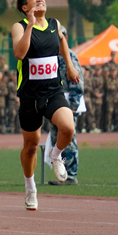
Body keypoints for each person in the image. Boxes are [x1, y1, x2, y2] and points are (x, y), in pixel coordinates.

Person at [11, 0, 79, 211]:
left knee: (68, 126)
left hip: (53, 91)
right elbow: (20, 53)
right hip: (30, 96)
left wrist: (69, 67)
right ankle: (30, 189)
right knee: (30, 146)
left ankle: (56, 154)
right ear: (24, 6)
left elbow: (62, 41)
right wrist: (30, 25)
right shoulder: (19, 27)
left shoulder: (55, 24)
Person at [48, 27, 84, 186]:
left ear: (65, 37)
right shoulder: (51, 55)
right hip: (55, 102)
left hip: (68, 102)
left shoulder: (69, 56)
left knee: (69, 139)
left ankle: (71, 174)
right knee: (57, 139)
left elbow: (77, 81)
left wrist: (74, 105)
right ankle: (62, 174)